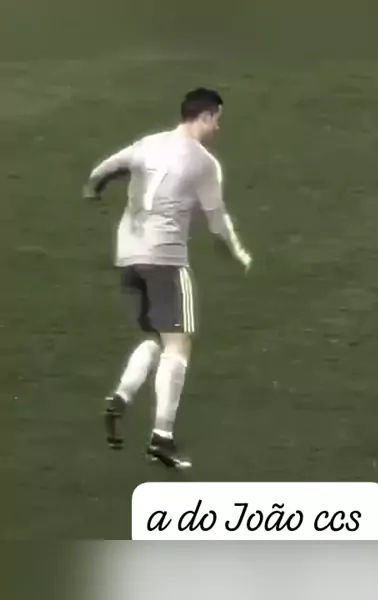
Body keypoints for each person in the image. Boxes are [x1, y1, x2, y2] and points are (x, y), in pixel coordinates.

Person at [82, 88, 252, 470]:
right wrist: (238, 252)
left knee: (155, 338)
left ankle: (121, 397)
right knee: (178, 344)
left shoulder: (147, 144)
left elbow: (104, 170)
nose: (218, 127)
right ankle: (162, 438)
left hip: (129, 257)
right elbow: (217, 221)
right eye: (216, 119)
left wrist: (93, 189)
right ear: (205, 116)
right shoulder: (203, 163)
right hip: (166, 260)